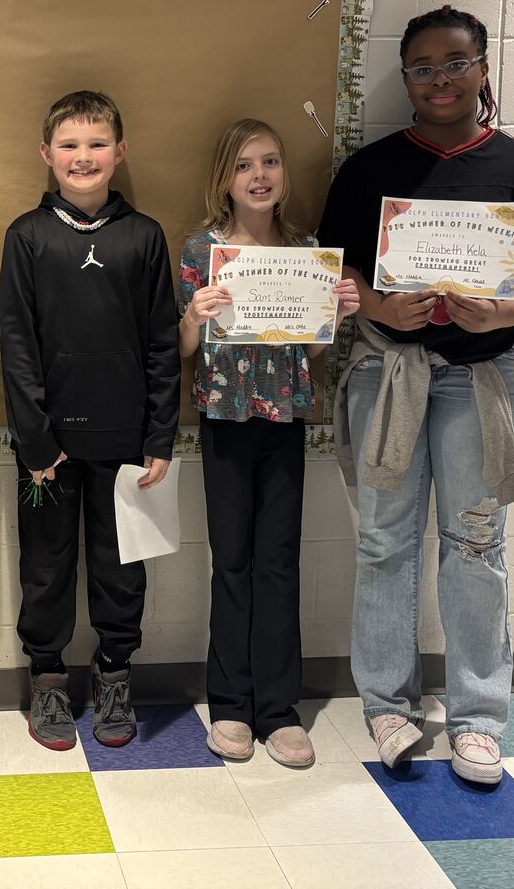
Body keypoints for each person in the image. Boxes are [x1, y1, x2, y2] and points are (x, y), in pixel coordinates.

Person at [318, 6, 514, 786]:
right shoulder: (369, 170)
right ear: (405, 78)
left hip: (485, 375)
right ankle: (388, 708)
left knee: (476, 544)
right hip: (388, 371)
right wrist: (379, 305)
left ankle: (477, 717)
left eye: (455, 63)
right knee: (383, 542)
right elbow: (335, 269)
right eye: (423, 68)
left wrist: (504, 311)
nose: (440, 80)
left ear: (484, 68)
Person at [0, 90, 180, 750]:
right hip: (45, 449)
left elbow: (163, 343)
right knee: (45, 567)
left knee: (120, 568)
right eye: (69, 145)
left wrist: (159, 434)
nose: (84, 157)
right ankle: (47, 677)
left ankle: (114, 674)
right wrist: (35, 439)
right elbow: (17, 345)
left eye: (97, 144)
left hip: (126, 442)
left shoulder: (145, 236)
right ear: (46, 154)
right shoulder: (26, 236)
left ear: (120, 152)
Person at [178, 118, 360, 768]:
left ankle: (279, 709)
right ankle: (230, 703)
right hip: (225, 421)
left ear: (284, 174)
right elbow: (182, 349)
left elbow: (308, 353)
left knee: (279, 563)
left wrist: (334, 317)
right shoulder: (203, 250)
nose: (260, 176)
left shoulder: (306, 251)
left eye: (271, 162)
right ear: (225, 180)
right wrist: (193, 316)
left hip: (283, 421)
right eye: (245, 165)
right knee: (232, 562)